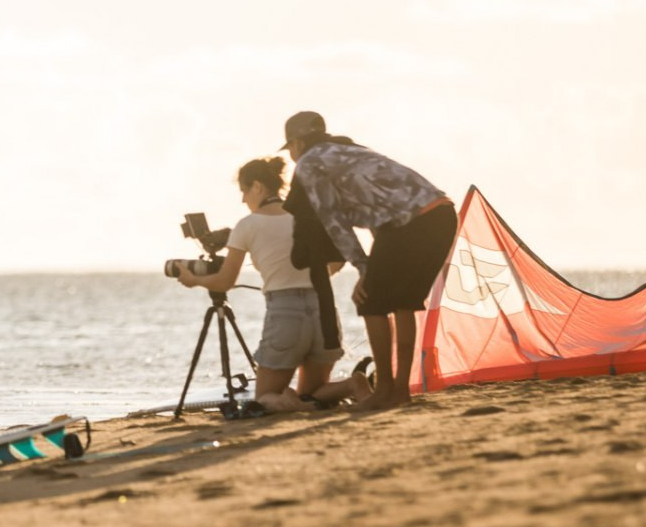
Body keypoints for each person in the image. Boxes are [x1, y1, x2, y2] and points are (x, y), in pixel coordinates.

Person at [280, 110, 456, 410]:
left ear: (296, 143)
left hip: (410, 223)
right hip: (442, 214)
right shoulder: (352, 151)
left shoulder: (309, 163)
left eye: (290, 149)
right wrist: (371, 266)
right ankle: (400, 390)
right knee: (404, 302)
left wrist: (363, 268)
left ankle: (384, 390)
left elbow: (333, 221)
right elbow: (380, 214)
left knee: (371, 301)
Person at [177, 157, 371, 413]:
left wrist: (194, 280)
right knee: (312, 393)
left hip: (286, 311)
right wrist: (307, 274)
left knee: (264, 397)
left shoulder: (247, 225)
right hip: (323, 308)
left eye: (244, 191)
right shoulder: (307, 217)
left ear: (257, 187)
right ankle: (353, 384)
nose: (243, 199)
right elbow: (337, 260)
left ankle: (289, 402)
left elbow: (225, 281)